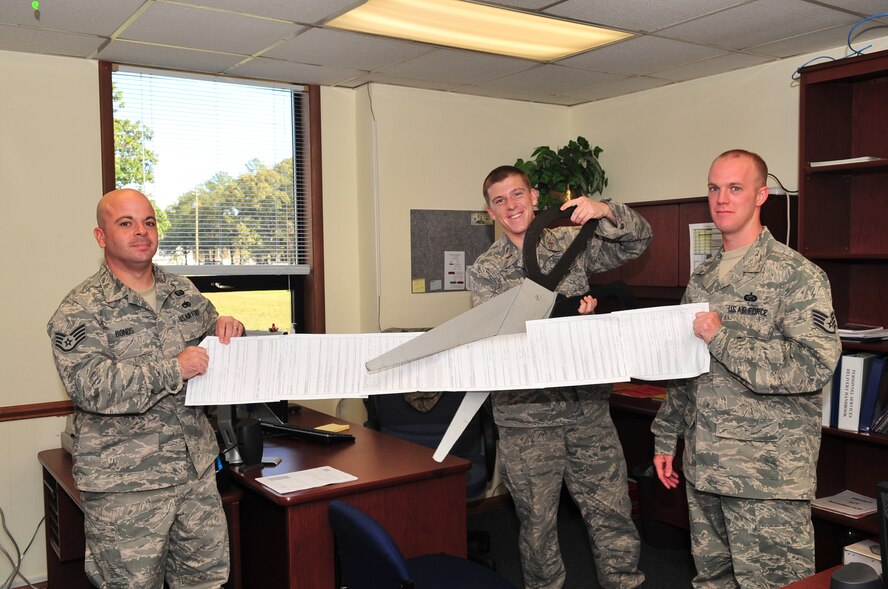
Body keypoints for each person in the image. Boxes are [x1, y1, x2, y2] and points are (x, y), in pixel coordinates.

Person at [650, 150, 841, 588]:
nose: (721, 199)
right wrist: (665, 436)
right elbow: (687, 368)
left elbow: (812, 366)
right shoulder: (704, 277)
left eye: (735, 188)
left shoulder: (797, 275)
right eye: (714, 188)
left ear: (761, 194)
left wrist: (723, 338)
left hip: (765, 474)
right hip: (705, 464)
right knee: (711, 580)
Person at [47, 188, 245, 589]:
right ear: (101, 237)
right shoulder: (79, 309)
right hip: (126, 488)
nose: (141, 231)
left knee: (205, 582)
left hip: (196, 473)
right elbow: (90, 387)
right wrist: (174, 369)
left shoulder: (183, 292)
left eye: (149, 222)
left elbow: (212, 347)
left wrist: (229, 328)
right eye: (126, 223)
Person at [468, 165, 652, 589]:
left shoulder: (571, 243)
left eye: (517, 195)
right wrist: (569, 315)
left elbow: (640, 240)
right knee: (538, 528)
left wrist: (604, 209)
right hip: (526, 418)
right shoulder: (486, 269)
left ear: (534, 197)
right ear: (491, 211)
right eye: (500, 201)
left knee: (613, 512)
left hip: (586, 408)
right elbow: (502, 332)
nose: (511, 206)